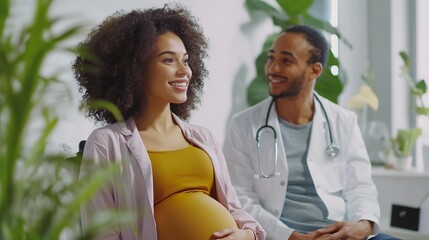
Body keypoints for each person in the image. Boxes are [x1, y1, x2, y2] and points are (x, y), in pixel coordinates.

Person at [73, 4, 265, 240]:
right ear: (135, 69)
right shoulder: (107, 142)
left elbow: (235, 209)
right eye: (168, 61)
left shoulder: (204, 138)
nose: (184, 71)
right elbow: (100, 231)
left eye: (185, 60)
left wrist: (246, 236)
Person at [223, 25, 399, 240]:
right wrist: (291, 237)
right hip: (280, 236)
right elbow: (241, 199)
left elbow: (360, 187)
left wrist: (363, 225)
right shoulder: (243, 125)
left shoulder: (343, 121)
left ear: (314, 70)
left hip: (340, 234)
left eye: (286, 61)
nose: (273, 68)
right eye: (271, 58)